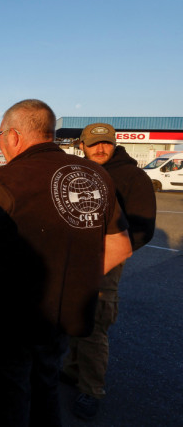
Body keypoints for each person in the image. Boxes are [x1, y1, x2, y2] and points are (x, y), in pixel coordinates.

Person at [0, 99, 133, 426]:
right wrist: (72, 281)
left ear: (14, 136)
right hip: (63, 313)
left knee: (8, 401)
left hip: (9, 320)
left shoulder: (4, 180)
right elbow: (121, 245)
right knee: (46, 388)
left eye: (0, 134)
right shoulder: (96, 175)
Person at [62, 123, 156, 419]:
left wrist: (113, 255)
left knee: (94, 323)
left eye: (106, 143)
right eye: (94, 144)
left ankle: (91, 390)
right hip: (74, 258)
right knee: (73, 315)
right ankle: (73, 369)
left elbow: (143, 229)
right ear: (81, 145)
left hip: (106, 261)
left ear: (114, 144)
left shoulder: (131, 176)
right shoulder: (78, 171)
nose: (100, 149)